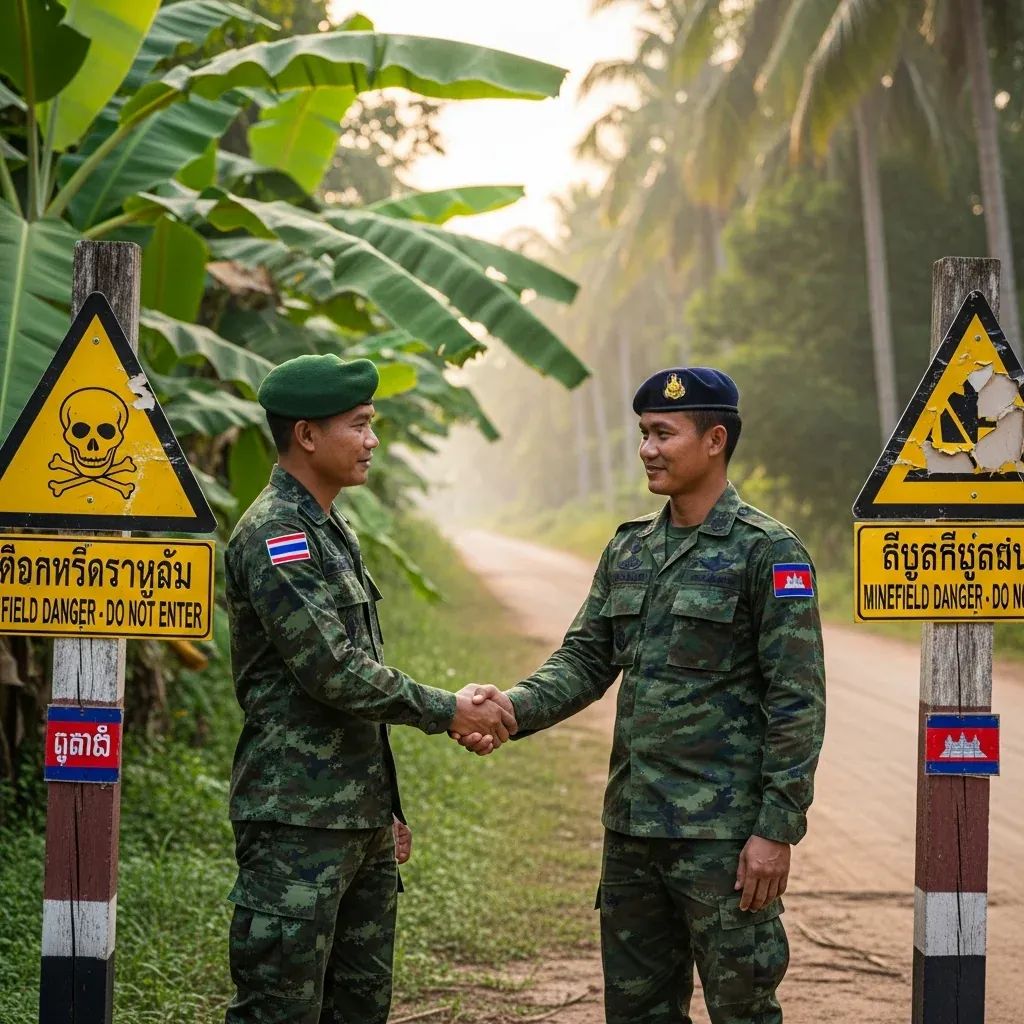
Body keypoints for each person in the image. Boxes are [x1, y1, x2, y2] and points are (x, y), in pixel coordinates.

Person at [455, 367, 826, 1024]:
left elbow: (798, 701)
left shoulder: (767, 553)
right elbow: (584, 659)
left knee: (743, 1009)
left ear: (715, 440)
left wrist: (776, 828)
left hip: (722, 840)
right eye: (643, 434)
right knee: (636, 1011)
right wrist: (510, 708)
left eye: (664, 433)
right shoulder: (630, 550)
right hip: (632, 834)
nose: (648, 449)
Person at [223, 353, 513, 1024]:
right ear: (307, 435)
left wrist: (381, 808)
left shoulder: (330, 530)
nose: (373, 440)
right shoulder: (277, 535)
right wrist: (447, 709)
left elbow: (355, 681)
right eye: (359, 424)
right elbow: (333, 669)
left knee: (358, 1006)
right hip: (296, 820)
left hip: (354, 821)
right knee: (280, 1008)